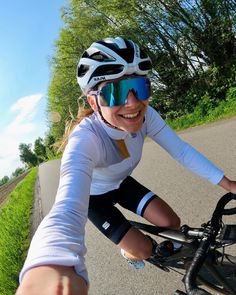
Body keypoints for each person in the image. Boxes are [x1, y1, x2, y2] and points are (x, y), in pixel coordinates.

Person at [16, 37, 236, 295]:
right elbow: (66, 206)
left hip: (120, 183)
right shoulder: (85, 139)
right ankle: (129, 252)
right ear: (93, 102)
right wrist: (48, 263)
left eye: (139, 87)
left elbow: (182, 151)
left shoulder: (147, 116)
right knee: (142, 250)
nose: (133, 104)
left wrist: (229, 183)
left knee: (171, 221)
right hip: (93, 199)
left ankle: (179, 254)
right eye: (115, 92)